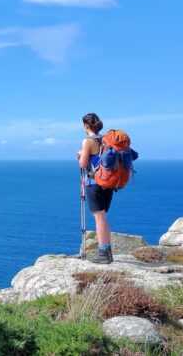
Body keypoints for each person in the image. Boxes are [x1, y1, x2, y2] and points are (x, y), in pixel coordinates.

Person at [76, 113, 113, 264]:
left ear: (86, 125)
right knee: (103, 217)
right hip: (108, 183)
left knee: (100, 218)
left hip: (94, 183)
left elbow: (83, 164)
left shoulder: (88, 141)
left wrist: (80, 154)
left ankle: (103, 253)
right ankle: (107, 252)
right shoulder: (105, 139)